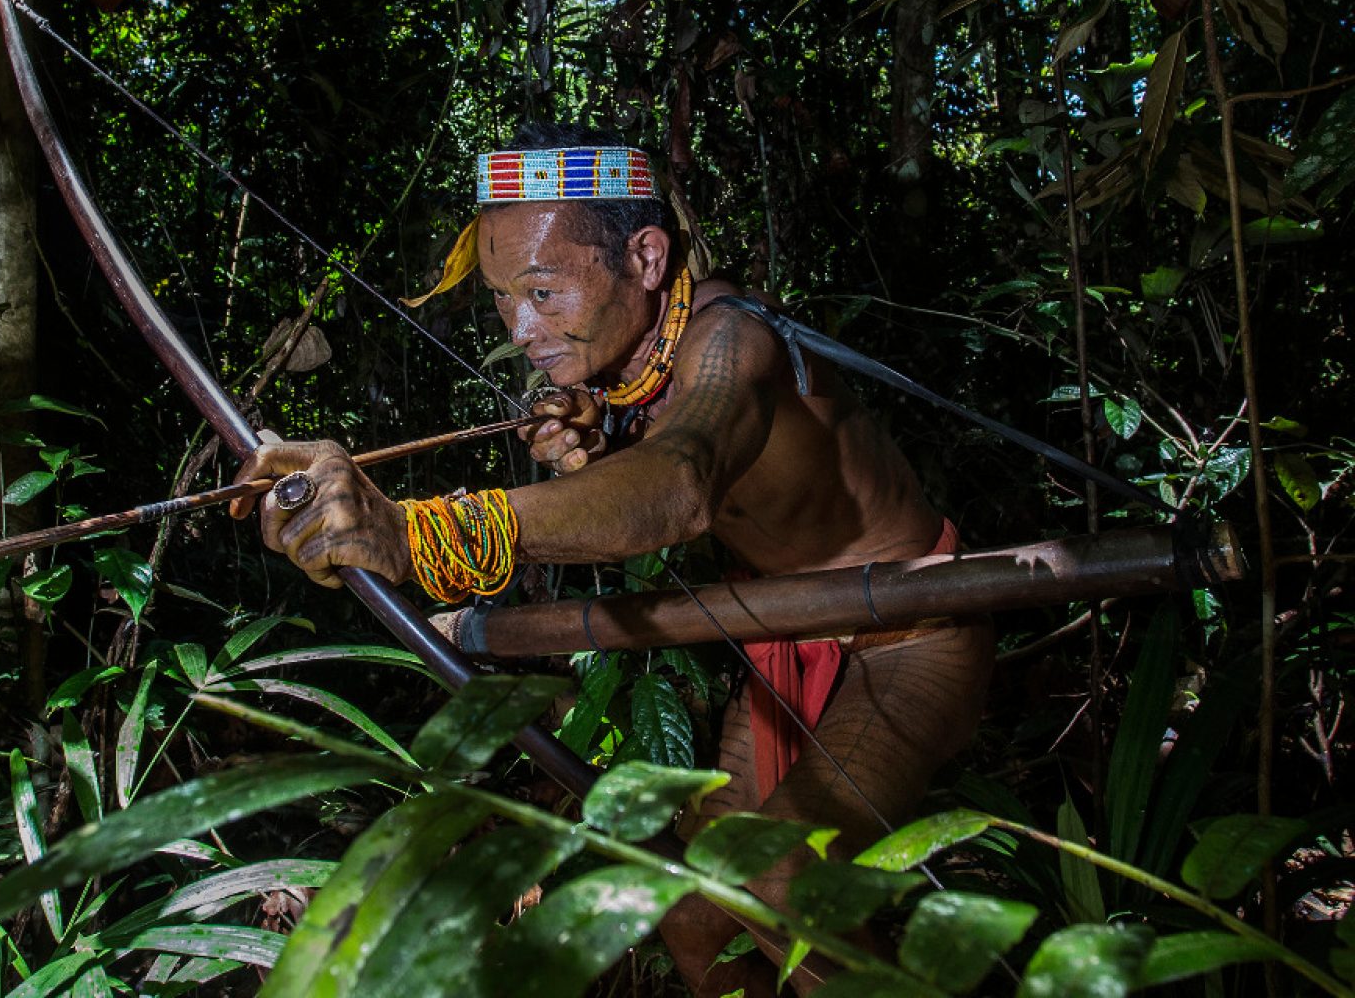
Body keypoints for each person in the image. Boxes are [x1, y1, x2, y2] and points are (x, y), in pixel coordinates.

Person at [229, 125, 994, 994]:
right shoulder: (626, 374)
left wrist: (414, 534)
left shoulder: (729, 340)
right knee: (700, 905)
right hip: (788, 634)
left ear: (645, 256)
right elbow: (654, 451)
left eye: (545, 290)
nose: (521, 328)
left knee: (782, 881)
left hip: (909, 631)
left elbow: (679, 485)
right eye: (501, 298)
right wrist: (608, 431)